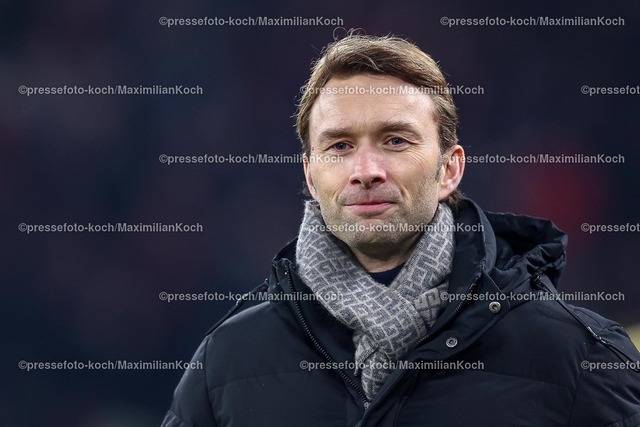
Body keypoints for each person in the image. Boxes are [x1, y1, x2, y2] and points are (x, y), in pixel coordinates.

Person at [161, 33, 640, 426]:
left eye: (395, 140)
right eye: (340, 146)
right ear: (310, 174)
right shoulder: (228, 361)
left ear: (450, 169)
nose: (365, 170)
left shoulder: (577, 359)